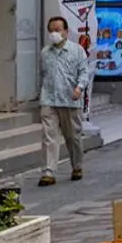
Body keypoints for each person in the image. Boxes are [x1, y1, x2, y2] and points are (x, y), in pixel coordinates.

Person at [38, 16, 89, 186]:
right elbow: (43, 74)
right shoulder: (45, 53)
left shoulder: (77, 50)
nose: (54, 33)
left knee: (72, 136)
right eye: (51, 30)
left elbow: (84, 72)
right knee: (49, 136)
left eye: (58, 29)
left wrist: (79, 88)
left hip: (70, 99)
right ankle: (48, 171)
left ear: (66, 32)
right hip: (49, 99)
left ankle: (77, 165)